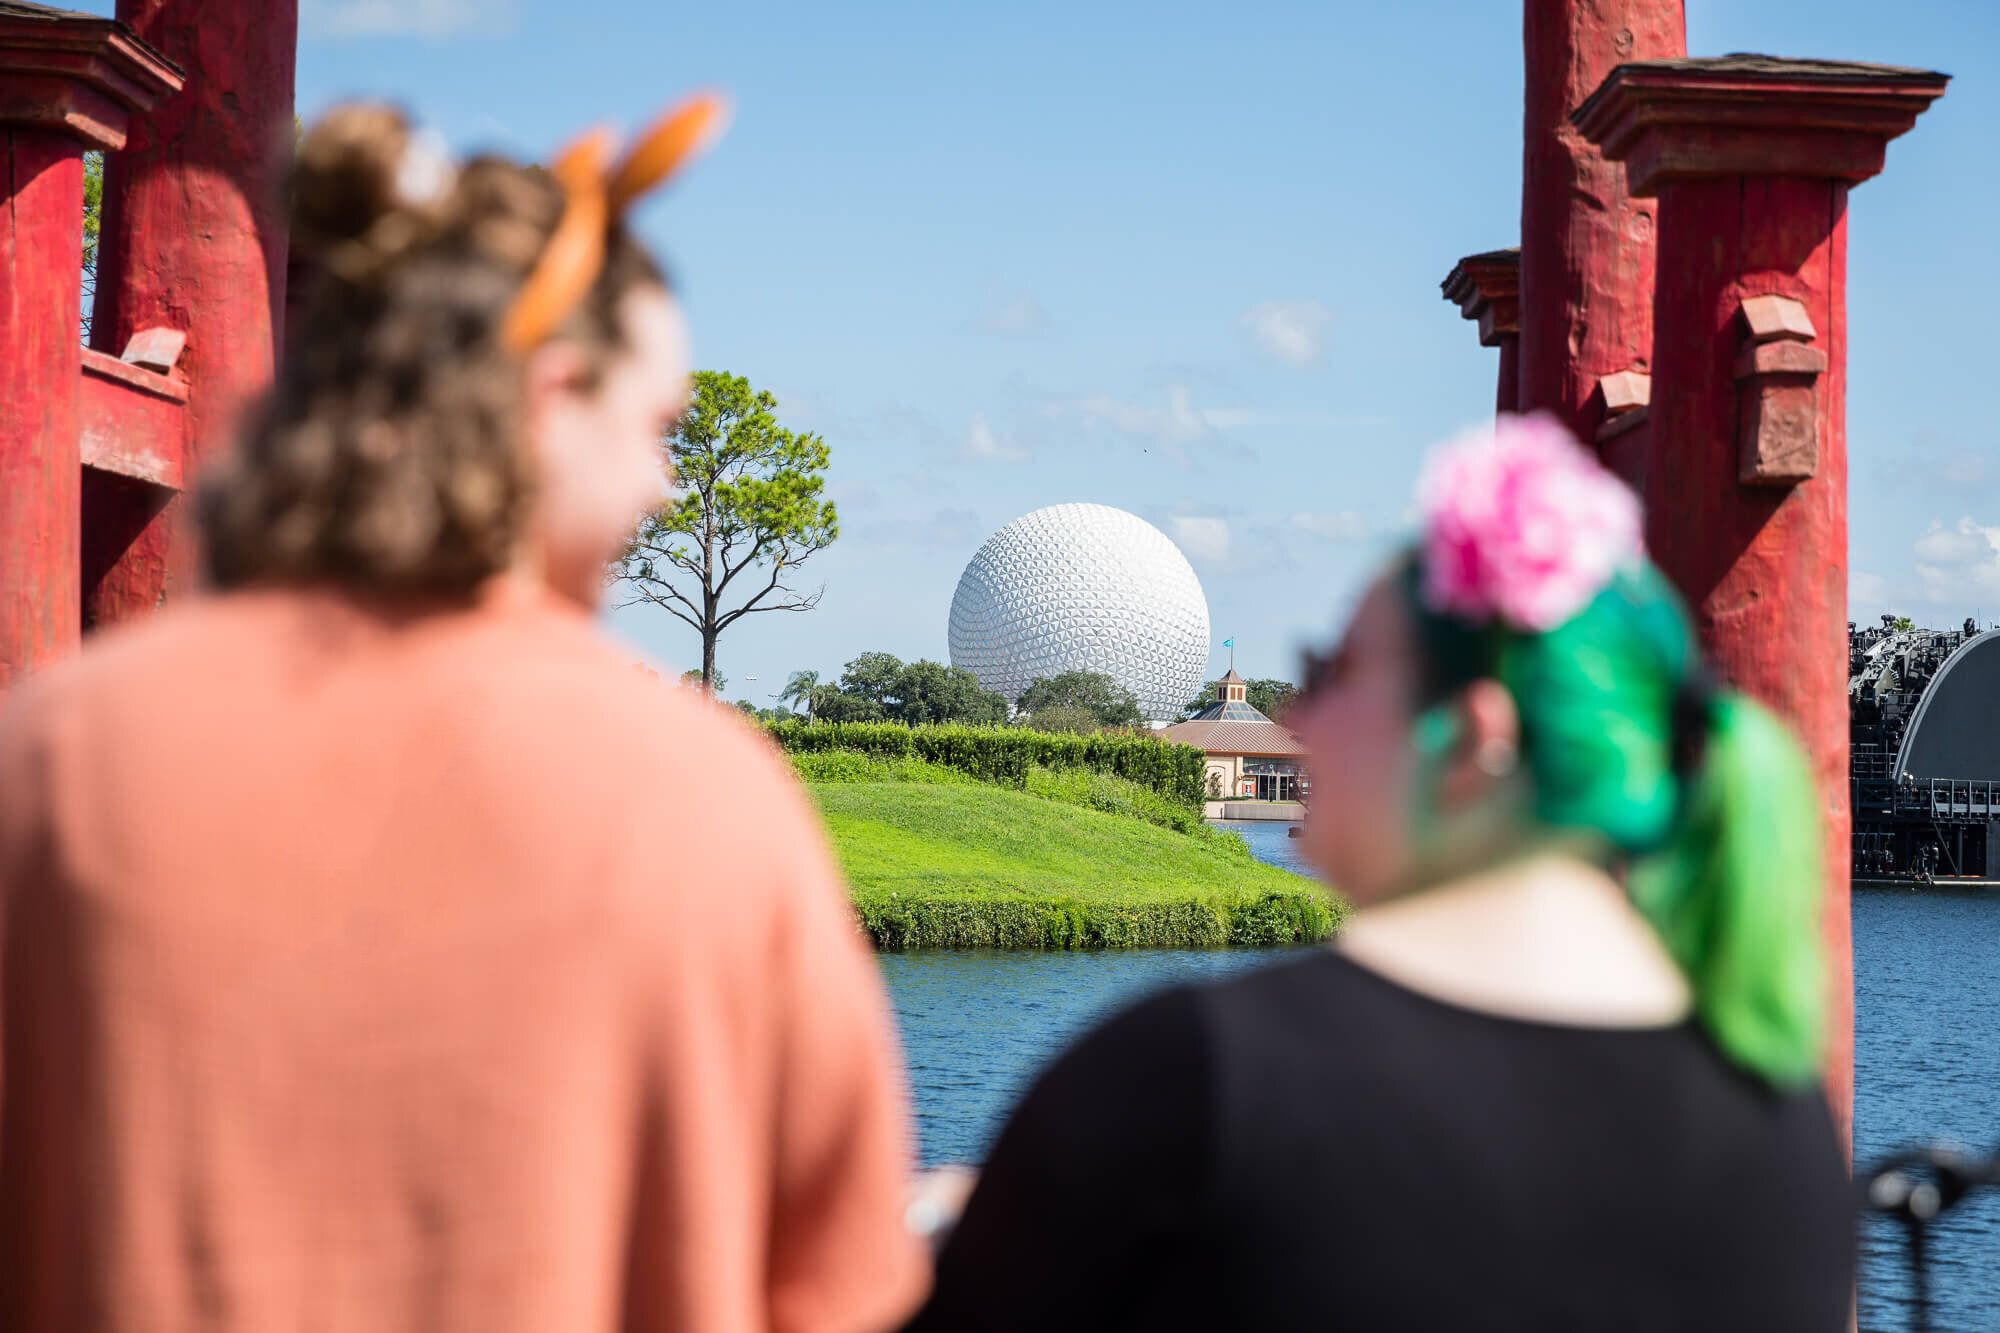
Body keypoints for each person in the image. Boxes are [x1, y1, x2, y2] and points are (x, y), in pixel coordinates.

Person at [0, 102, 927, 1332]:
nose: (662, 482)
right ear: (548, 399)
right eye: (654, 427)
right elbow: (837, 1287)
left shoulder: (51, 759)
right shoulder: (703, 794)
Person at [907, 415, 1852, 1331]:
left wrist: (963, 1232)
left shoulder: (1204, 1081)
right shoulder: (1785, 1129)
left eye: (1334, 670)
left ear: (1473, 739)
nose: (1301, 719)